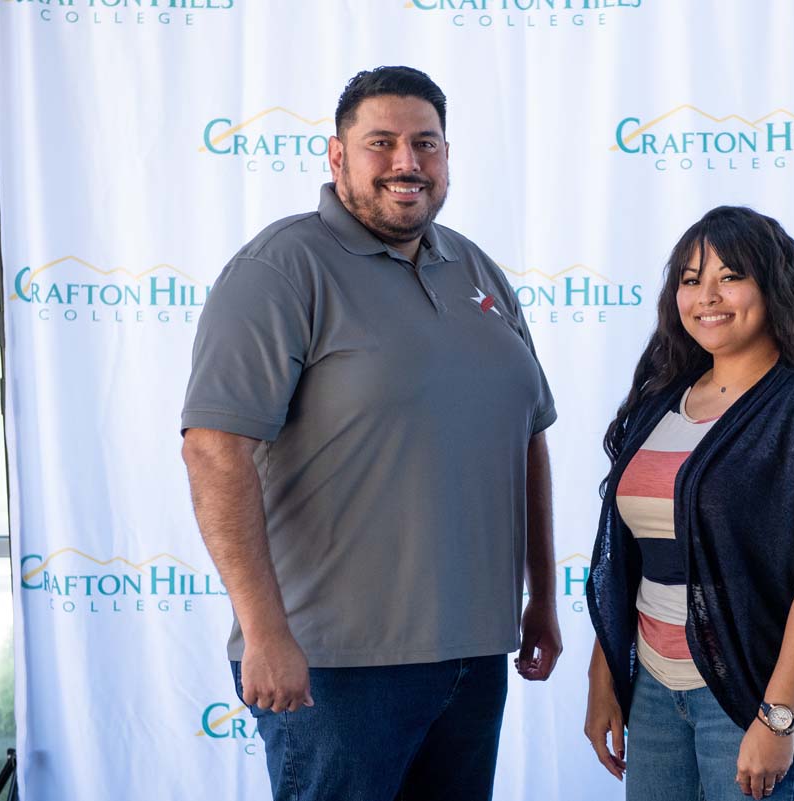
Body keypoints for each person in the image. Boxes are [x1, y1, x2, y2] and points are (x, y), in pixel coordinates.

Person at [180, 66, 561, 801]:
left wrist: (541, 595)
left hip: (475, 656)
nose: (406, 162)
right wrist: (264, 633)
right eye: (380, 143)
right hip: (335, 667)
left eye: (425, 143)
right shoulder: (282, 267)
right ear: (335, 155)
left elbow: (527, 438)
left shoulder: (476, 269)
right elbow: (213, 448)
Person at [584, 206, 794, 801]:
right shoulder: (659, 403)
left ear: (773, 286)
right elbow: (629, 561)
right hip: (652, 692)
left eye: (731, 275)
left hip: (750, 696)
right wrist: (605, 677)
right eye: (690, 280)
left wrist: (778, 717)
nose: (707, 296)